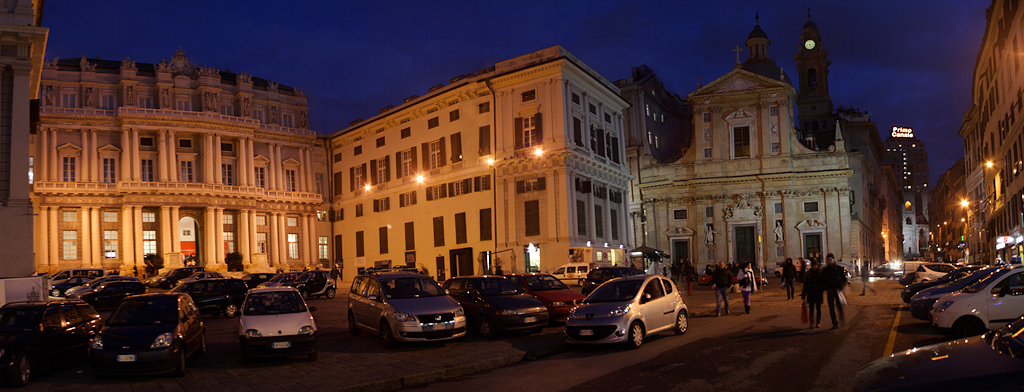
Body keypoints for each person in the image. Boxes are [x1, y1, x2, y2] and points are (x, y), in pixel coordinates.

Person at [821, 253, 848, 329]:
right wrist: (825, 288)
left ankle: (842, 319)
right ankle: (834, 323)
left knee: (839, 306)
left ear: (833, 260)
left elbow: (844, 279)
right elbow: (822, 280)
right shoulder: (825, 270)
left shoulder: (839, 269)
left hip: (837, 290)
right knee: (831, 308)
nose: (829, 261)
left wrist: (841, 287)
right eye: (828, 260)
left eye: (830, 260)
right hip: (830, 291)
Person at [801, 258, 825, 328]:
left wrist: (822, 289)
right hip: (811, 293)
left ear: (817, 265)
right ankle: (811, 323)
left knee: (818, 308)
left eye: (815, 265)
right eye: (813, 265)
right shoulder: (809, 273)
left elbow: (823, 283)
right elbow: (805, 284)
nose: (814, 266)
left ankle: (818, 323)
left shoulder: (820, 273)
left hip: (818, 293)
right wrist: (803, 294)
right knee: (811, 309)